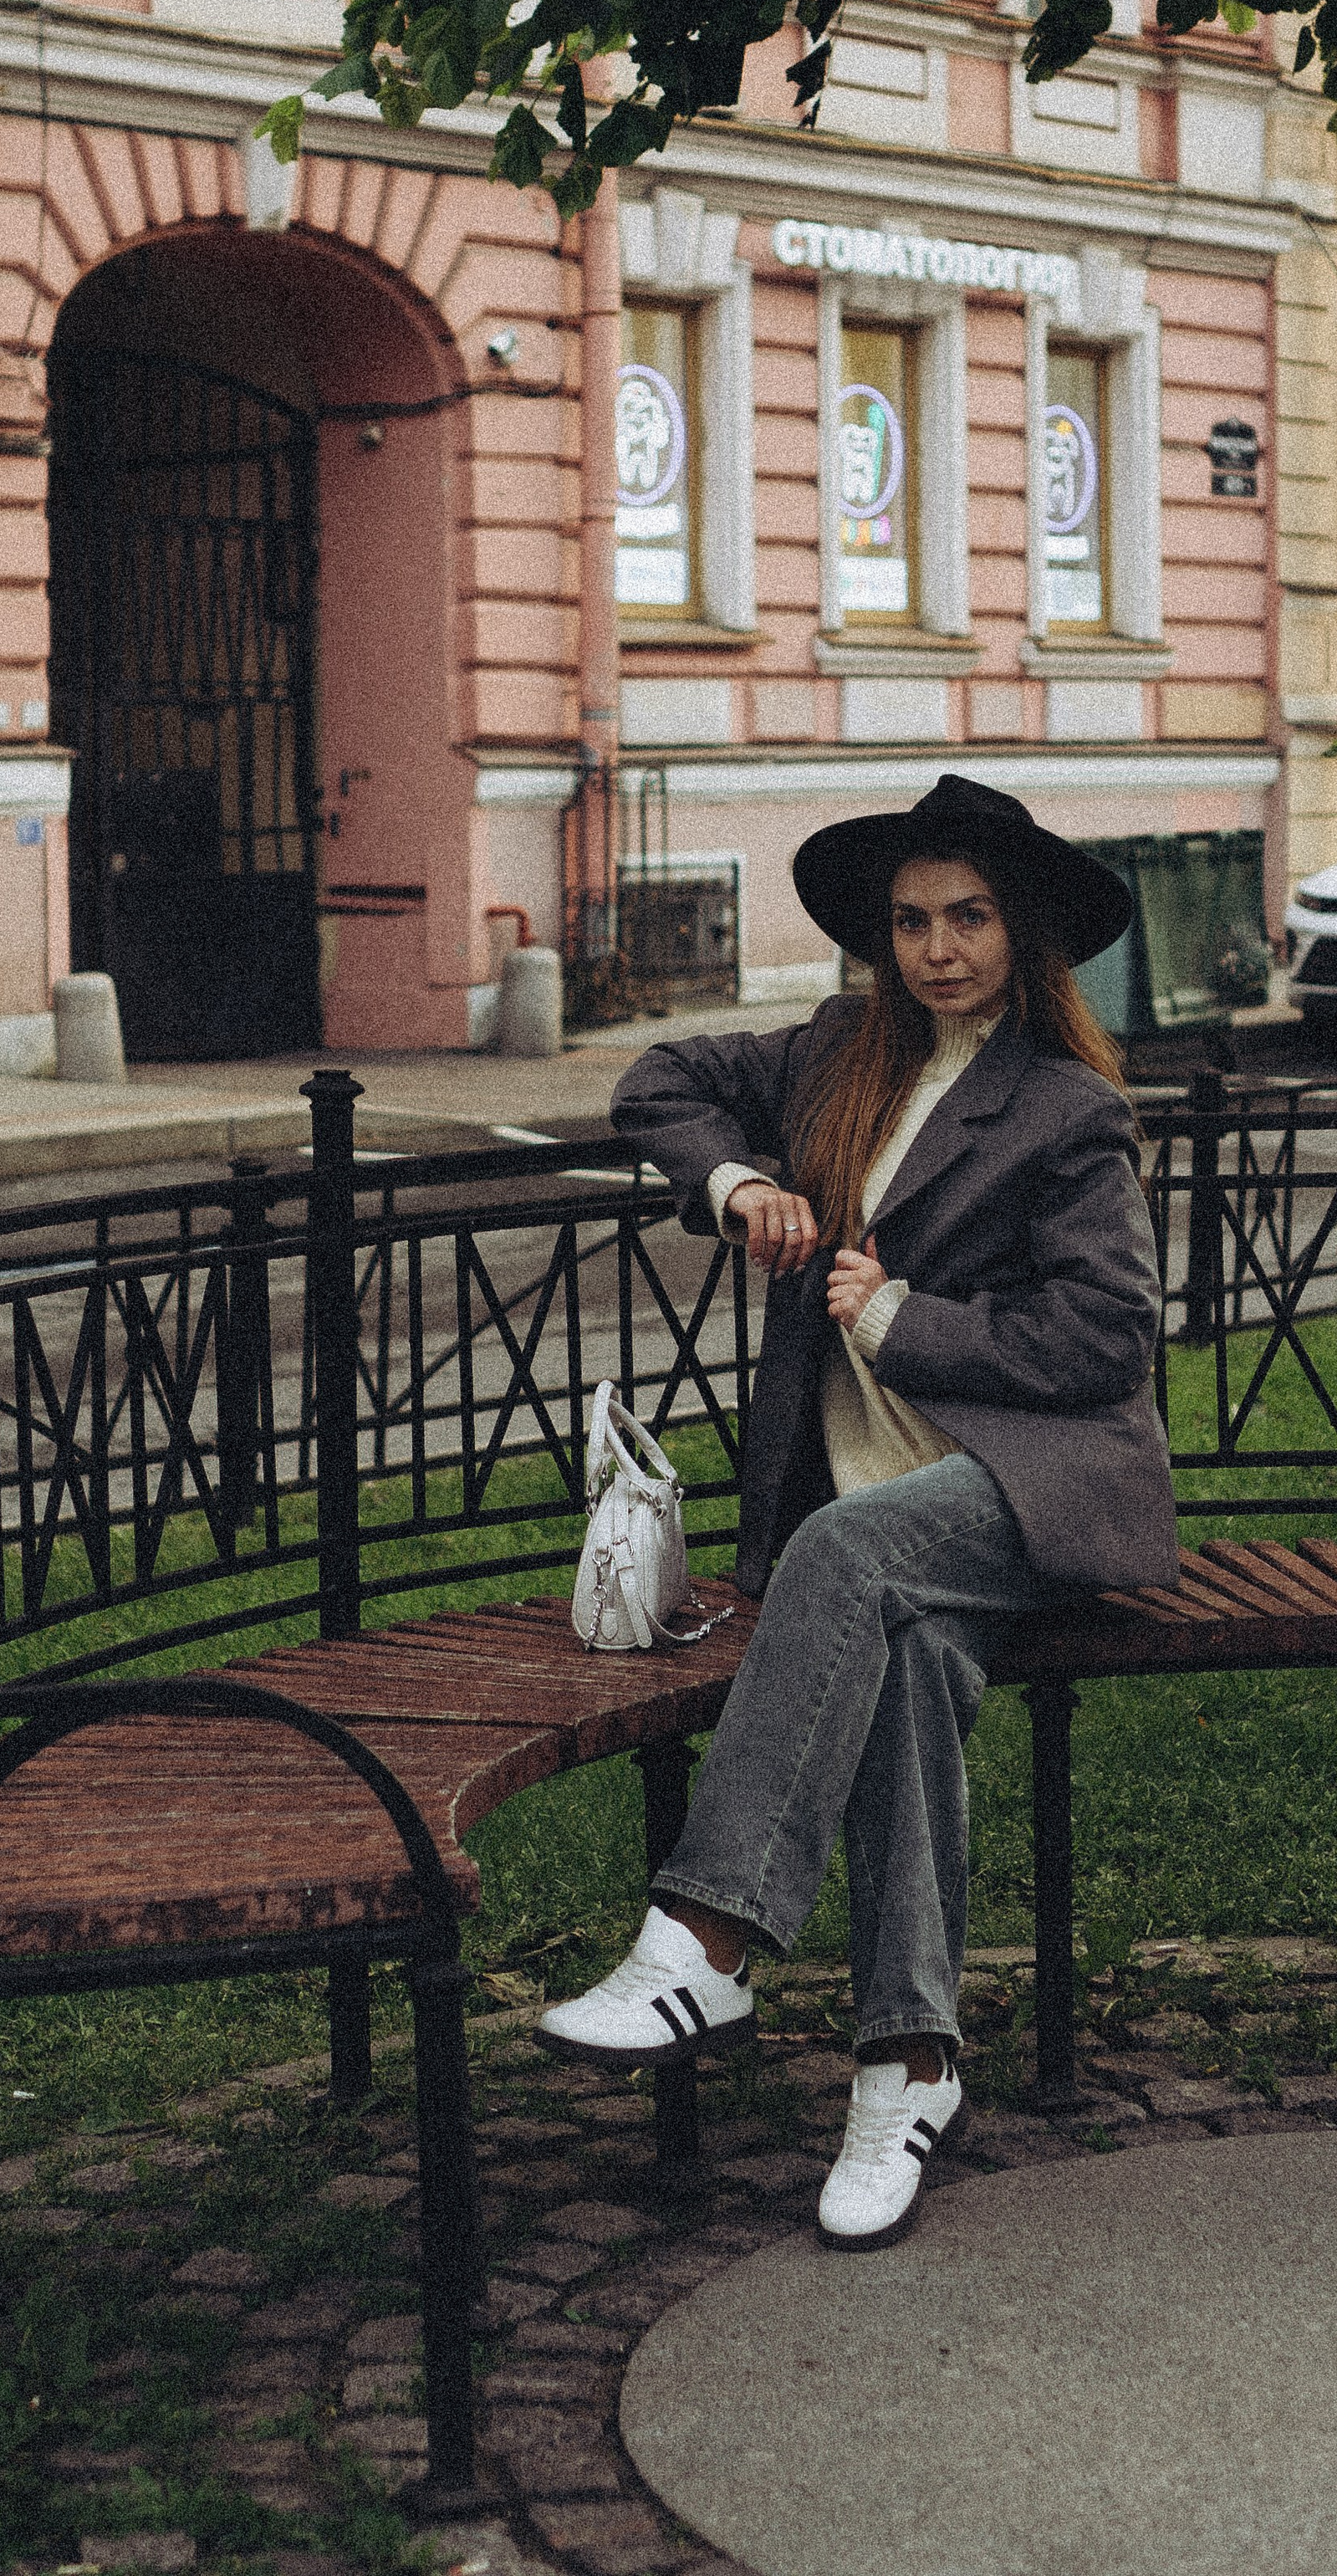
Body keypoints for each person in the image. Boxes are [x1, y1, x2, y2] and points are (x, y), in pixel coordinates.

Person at [537, 773, 1176, 2249]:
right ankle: (907, 2068)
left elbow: (1105, 1344)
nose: (940, 947)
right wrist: (740, 1180)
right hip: (878, 1543)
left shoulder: (1065, 1111)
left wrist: (897, 1321)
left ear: (1021, 933)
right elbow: (660, 1085)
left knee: (851, 1552)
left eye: (969, 917)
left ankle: (707, 1939)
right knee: (902, 1664)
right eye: (911, 921)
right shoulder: (835, 1054)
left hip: (1026, 1495)